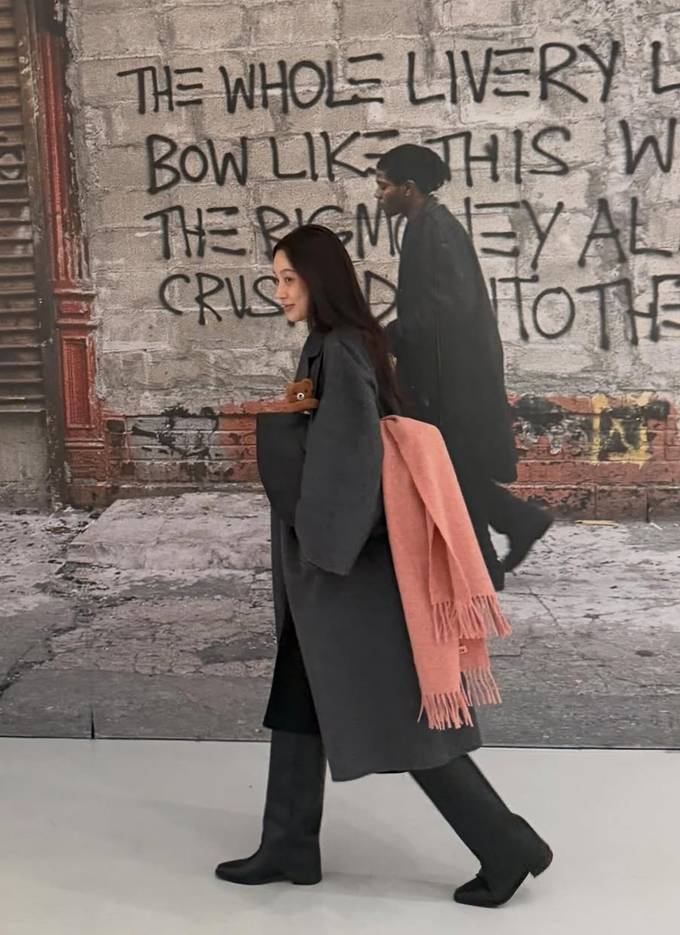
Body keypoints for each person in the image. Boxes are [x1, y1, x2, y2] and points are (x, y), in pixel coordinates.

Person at [214, 225, 552, 908]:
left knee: (404, 715)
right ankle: (288, 842)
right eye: (276, 279)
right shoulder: (335, 343)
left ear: (320, 279)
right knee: (298, 696)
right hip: (337, 563)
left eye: (288, 278)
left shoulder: (339, 348)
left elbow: (351, 459)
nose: (279, 291)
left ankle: (506, 843)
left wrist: (323, 550)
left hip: (348, 569)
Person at [374, 144, 553, 591]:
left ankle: (487, 564)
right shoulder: (423, 224)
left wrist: (393, 334)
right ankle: (516, 523)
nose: (378, 195)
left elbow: (449, 308)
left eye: (383, 185)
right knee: (453, 465)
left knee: (452, 467)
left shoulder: (437, 231)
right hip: (444, 375)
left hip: (456, 379)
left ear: (408, 188)